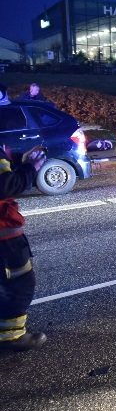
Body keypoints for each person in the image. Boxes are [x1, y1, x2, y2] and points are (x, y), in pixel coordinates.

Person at [0, 84, 49, 350]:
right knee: (18, 281)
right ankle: (11, 338)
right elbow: (5, 186)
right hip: (3, 235)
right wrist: (30, 168)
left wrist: (17, 163)